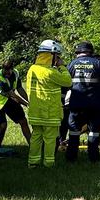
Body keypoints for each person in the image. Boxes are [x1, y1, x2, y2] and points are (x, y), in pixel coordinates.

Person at [24, 39, 72, 168]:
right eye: (57, 56)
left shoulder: (32, 69)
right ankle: (48, 163)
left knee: (36, 137)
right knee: (50, 138)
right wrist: (62, 66)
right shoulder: (51, 72)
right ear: (51, 55)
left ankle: (33, 163)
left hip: (35, 111)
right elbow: (68, 82)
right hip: (50, 112)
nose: (58, 58)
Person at [65, 42, 100, 162]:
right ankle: (93, 158)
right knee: (94, 132)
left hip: (76, 104)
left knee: (74, 131)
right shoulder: (98, 64)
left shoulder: (72, 64)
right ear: (91, 52)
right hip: (95, 104)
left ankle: (71, 158)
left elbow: (64, 84)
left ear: (78, 52)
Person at [0, 59, 31, 147]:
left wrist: (28, 101)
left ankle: (32, 145)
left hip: (9, 100)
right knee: (3, 125)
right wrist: (26, 104)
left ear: (12, 69)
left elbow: (20, 89)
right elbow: (12, 95)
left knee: (23, 121)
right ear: (2, 68)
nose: (7, 73)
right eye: (5, 70)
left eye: (9, 70)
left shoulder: (15, 73)